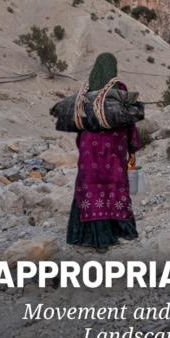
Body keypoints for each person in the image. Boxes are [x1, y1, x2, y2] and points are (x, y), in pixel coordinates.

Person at [66, 53, 142, 249]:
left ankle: (86, 235)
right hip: (113, 151)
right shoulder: (119, 89)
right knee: (114, 186)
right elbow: (128, 120)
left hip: (88, 150)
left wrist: (84, 145)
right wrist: (132, 145)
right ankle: (119, 229)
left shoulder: (85, 92)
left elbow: (79, 124)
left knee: (89, 188)